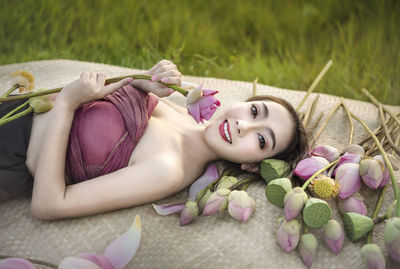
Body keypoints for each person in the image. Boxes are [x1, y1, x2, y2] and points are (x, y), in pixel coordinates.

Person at [0, 60, 308, 220]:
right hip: (14, 109)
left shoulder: (169, 169)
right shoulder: (185, 115)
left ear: (252, 166)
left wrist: (66, 104)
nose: (243, 125)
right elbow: (108, 100)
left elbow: (49, 205)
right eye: (255, 111)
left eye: (262, 140)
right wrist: (146, 79)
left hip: (9, 155)